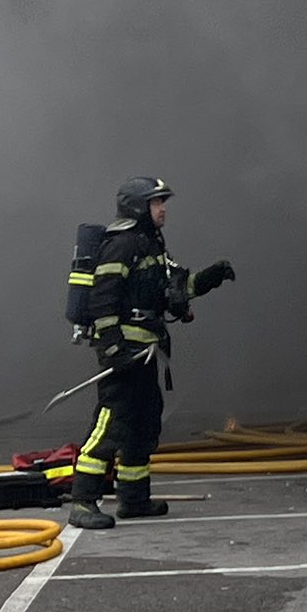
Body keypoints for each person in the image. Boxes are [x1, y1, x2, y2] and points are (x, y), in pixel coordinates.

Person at [68, 175, 235, 530]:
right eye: (157, 203)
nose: (163, 210)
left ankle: (134, 499)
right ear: (138, 206)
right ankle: (83, 500)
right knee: (110, 422)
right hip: (124, 351)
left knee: (144, 423)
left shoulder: (152, 245)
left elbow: (176, 287)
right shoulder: (121, 245)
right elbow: (103, 299)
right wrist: (113, 347)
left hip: (146, 350)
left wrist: (210, 277)